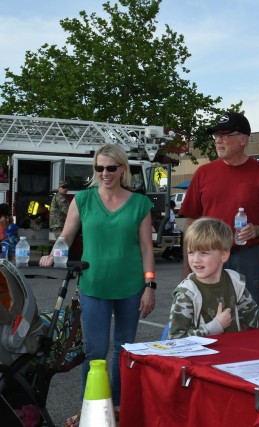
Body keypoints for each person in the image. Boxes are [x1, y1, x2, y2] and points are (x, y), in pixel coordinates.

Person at [39, 144, 156, 427]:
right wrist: (54, 252)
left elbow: (146, 249)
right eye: (99, 168)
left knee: (123, 349)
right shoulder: (83, 200)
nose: (105, 173)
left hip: (131, 286)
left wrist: (150, 285)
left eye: (111, 168)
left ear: (122, 169)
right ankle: (88, 408)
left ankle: (115, 407)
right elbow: (66, 236)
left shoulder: (140, 203)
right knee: (94, 352)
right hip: (93, 286)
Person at [180, 112, 259, 309]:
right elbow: (190, 223)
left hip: (248, 256)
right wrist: (188, 267)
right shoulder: (203, 173)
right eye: (216, 136)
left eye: (225, 136)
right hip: (209, 255)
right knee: (208, 315)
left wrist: (258, 230)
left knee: (253, 317)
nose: (218, 141)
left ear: (243, 139)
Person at [168, 217, 259, 338]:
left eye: (204, 253)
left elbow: (256, 316)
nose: (196, 259)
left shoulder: (234, 281)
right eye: (191, 253)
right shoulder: (186, 292)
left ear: (224, 255)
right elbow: (175, 340)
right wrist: (215, 327)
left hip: (229, 358)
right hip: (200, 365)